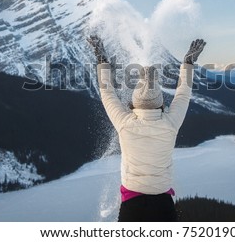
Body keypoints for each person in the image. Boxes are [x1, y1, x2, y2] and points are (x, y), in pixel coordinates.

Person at [88, 36, 206, 222]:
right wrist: (188, 62)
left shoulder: (124, 123)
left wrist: (102, 59)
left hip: (132, 204)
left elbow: (107, 92)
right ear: (160, 103)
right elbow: (183, 93)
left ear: (135, 102)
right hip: (163, 203)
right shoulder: (170, 123)